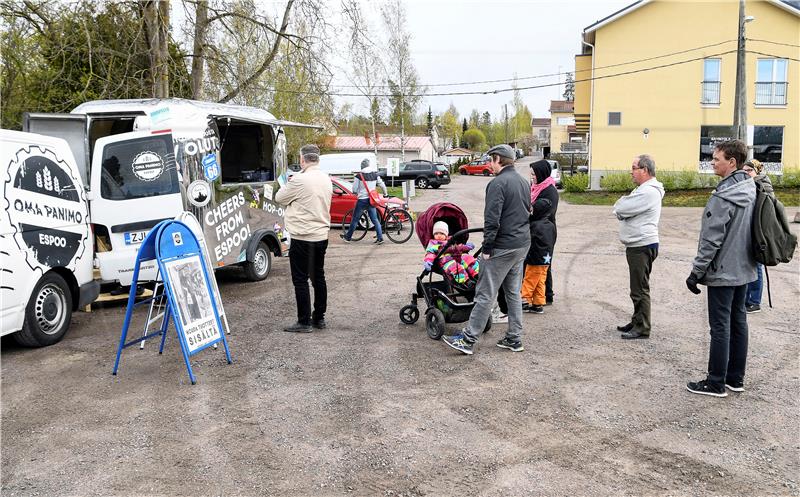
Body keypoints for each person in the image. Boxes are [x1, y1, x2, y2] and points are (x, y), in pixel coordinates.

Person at [443, 144, 531, 355]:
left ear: (498, 159)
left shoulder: (497, 183)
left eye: (490, 160)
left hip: (502, 246)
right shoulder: (523, 181)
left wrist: (488, 247)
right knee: (512, 293)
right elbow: (527, 211)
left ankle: (468, 340)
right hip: (521, 245)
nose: (488, 164)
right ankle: (514, 338)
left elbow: (492, 220)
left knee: (485, 293)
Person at [685, 140, 757, 397]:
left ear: (732, 162)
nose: (712, 162)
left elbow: (711, 240)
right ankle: (735, 379)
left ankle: (715, 382)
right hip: (744, 268)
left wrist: (696, 272)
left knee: (720, 326)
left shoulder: (722, 196)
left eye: (716, 159)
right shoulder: (750, 188)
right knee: (739, 322)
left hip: (723, 271)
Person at [275, 144, 333, 333]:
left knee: (300, 279)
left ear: (302, 159)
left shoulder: (299, 179)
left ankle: (304, 321)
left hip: (303, 235)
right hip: (321, 234)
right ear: (317, 159)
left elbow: (279, 198)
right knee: (318, 277)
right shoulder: (326, 179)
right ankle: (319, 318)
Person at [611, 154, 664, 339]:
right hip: (637, 244)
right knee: (636, 287)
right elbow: (621, 207)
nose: (631, 172)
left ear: (645, 170)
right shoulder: (642, 190)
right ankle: (637, 320)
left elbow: (621, 208)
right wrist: (622, 209)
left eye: (634, 168)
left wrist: (622, 209)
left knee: (640, 288)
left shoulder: (648, 192)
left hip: (642, 244)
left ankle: (642, 327)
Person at [521, 159, 558, 314]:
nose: (532, 177)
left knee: (537, 267)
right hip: (537, 231)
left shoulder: (549, 191)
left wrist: (527, 209)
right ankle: (539, 301)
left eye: (534, 174)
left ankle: (528, 298)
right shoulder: (536, 187)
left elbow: (536, 209)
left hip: (542, 234)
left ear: (541, 173)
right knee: (541, 268)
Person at [341, 158, 388, 244]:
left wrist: (358, 192)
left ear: (361, 166)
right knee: (375, 219)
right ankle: (380, 238)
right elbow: (382, 185)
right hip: (371, 200)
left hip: (362, 200)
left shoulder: (359, 176)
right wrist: (385, 194)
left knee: (355, 219)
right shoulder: (375, 174)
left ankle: (348, 237)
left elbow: (354, 189)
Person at [423, 221, 480, 285]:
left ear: (446, 234)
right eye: (436, 234)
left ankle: (477, 275)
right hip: (445, 261)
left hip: (458, 256)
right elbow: (430, 253)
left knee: (469, 259)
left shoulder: (452, 240)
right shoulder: (433, 243)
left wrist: (466, 246)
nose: (439, 236)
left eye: (441, 233)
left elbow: (459, 247)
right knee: (456, 267)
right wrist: (428, 261)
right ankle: (466, 282)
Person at [743, 159, 766, 313]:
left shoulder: (760, 186)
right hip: (750, 233)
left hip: (757, 234)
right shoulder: (751, 185)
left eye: (749, 171)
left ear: (756, 172)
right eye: (743, 171)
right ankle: (747, 300)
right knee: (749, 267)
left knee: (756, 267)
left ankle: (754, 301)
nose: (746, 174)